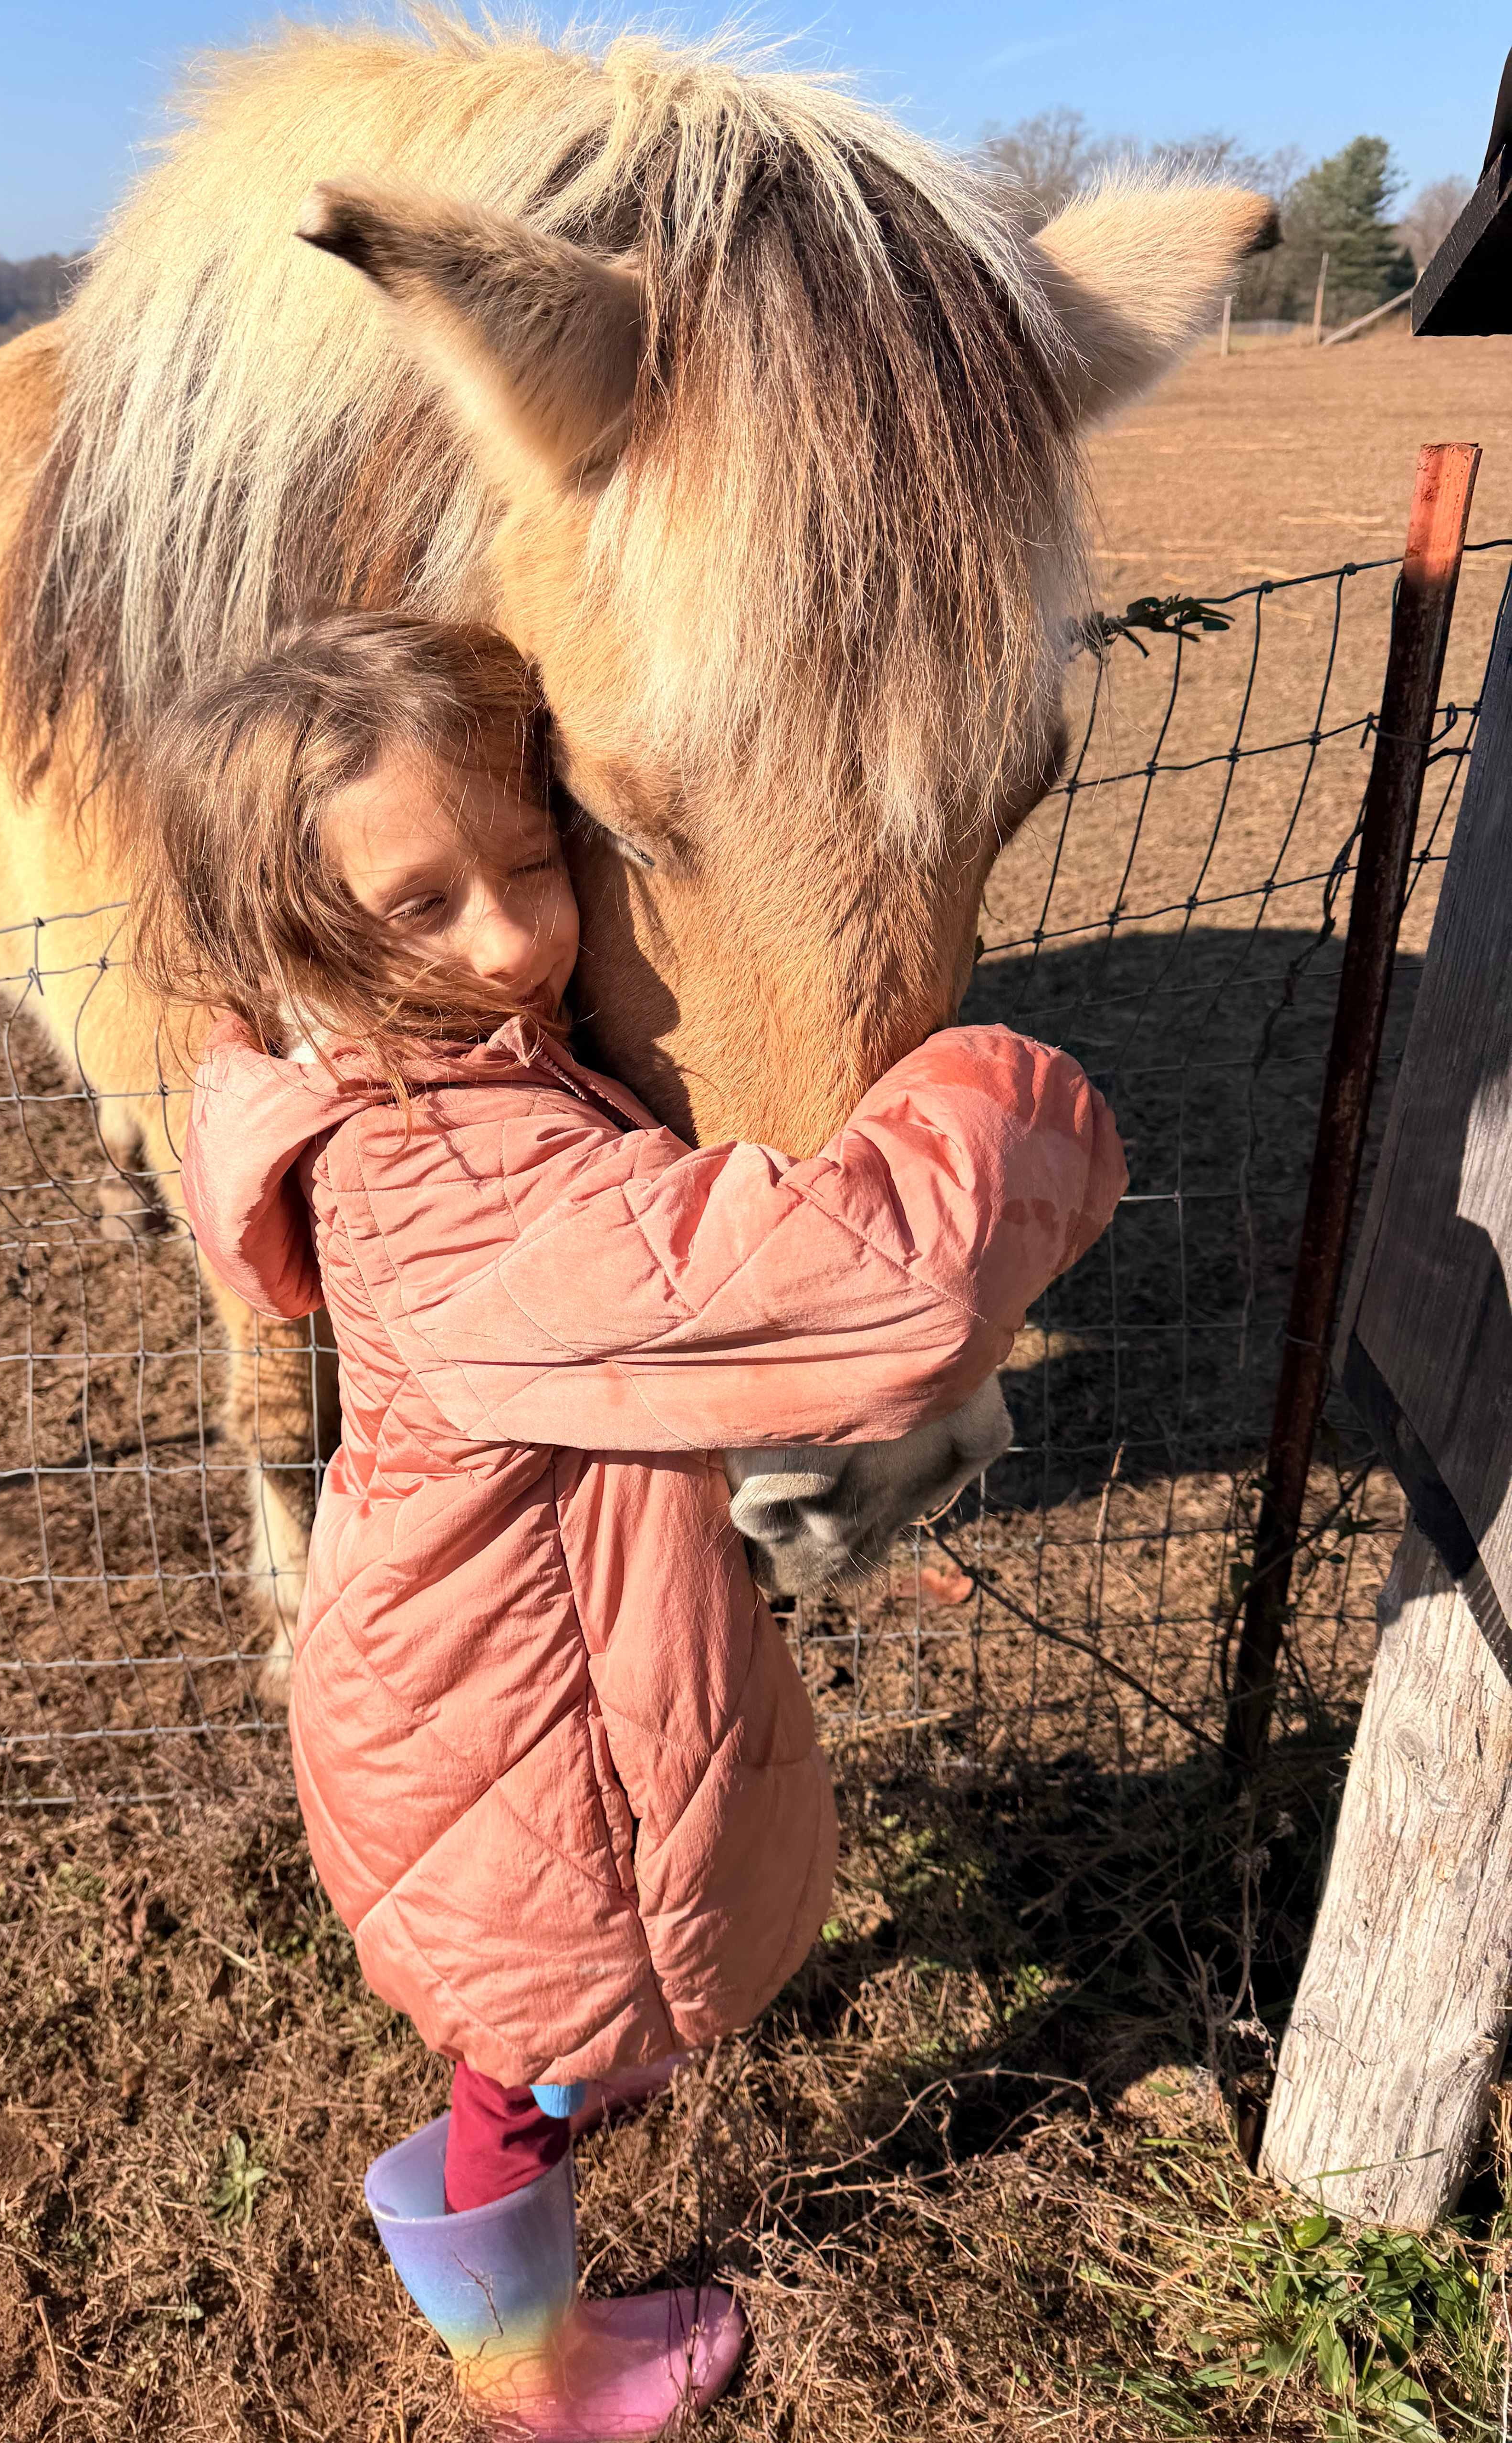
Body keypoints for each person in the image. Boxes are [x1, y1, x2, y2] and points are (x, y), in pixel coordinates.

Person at [132, 610, 1126, 2441]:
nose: (514, 938)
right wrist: (1008, 1096)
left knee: (537, 2034)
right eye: (423, 906)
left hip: (486, 1670)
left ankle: (548, 2144)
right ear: (291, 934)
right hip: (496, 1731)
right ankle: (534, 2375)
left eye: (534, 864)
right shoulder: (452, 1191)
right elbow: (876, 1288)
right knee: (519, 2054)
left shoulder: (411, 1071)